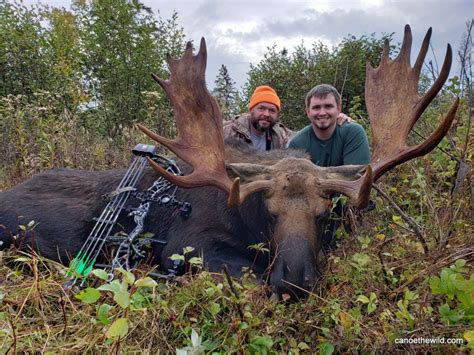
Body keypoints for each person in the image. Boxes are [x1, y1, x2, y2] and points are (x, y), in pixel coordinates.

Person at [288, 84, 371, 250]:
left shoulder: (353, 132)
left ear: (338, 108)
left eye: (328, 106)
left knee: (361, 204)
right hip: (313, 206)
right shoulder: (297, 143)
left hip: (345, 200)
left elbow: (358, 177)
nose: (322, 112)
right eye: (316, 107)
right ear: (308, 112)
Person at [223, 85, 351, 151]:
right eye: (261, 108)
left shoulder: (280, 134)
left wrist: (336, 119)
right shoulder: (226, 131)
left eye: (272, 110)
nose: (266, 114)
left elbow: (307, 136)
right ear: (251, 110)